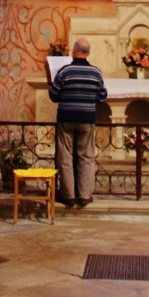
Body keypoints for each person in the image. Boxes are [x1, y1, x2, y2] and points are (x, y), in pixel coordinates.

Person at [49, 38, 107, 207]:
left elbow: (53, 95)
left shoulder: (64, 71)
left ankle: (67, 195)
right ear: (87, 53)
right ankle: (84, 195)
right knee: (86, 156)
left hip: (66, 117)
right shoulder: (96, 73)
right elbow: (102, 96)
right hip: (86, 119)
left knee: (65, 156)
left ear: (74, 52)